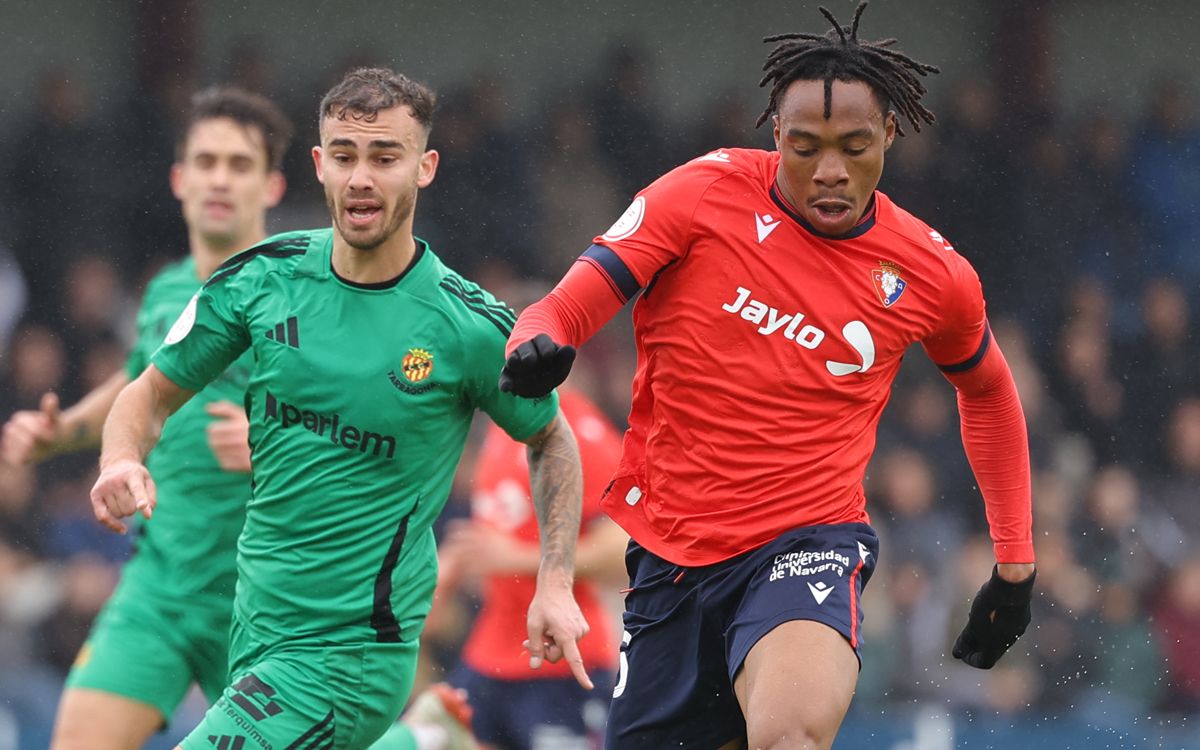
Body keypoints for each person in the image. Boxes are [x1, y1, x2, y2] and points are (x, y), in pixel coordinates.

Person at [497, 4, 1037, 749]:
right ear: (776, 135)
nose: (830, 171)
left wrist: (1014, 565)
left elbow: (988, 392)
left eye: (854, 147)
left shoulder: (931, 274)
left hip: (808, 539)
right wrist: (538, 344)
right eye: (806, 147)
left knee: (789, 733)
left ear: (890, 135)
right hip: (670, 558)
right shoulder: (700, 195)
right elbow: (562, 309)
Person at [88, 67, 590, 750]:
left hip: (353, 655)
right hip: (256, 632)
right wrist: (121, 458)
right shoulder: (259, 278)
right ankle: (421, 743)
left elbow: (552, 440)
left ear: (425, 167)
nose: (362, 177)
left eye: (386, 157)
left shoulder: (467, 326)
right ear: (320, 165)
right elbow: (147, 393)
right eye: (346, 156)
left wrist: (554, 581)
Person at [0, 85, 291, 750]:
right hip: (159, 589)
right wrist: (65, 428)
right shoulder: (166, 288)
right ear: (179, 180)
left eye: (240, 165)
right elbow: (142, 383)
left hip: (261, 606)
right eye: (207, 161)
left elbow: (374, 421)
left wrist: (284, 439)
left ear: (272, 185)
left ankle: (420, 738)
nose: (220, 179)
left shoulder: (302, 292)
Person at [429, 386, 627, 750]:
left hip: (560, 664)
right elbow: (494, 534)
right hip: (489, 658)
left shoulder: (582, 431)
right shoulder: (502, 420)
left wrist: (517, 557)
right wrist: (449, 569)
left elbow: (624, 552)